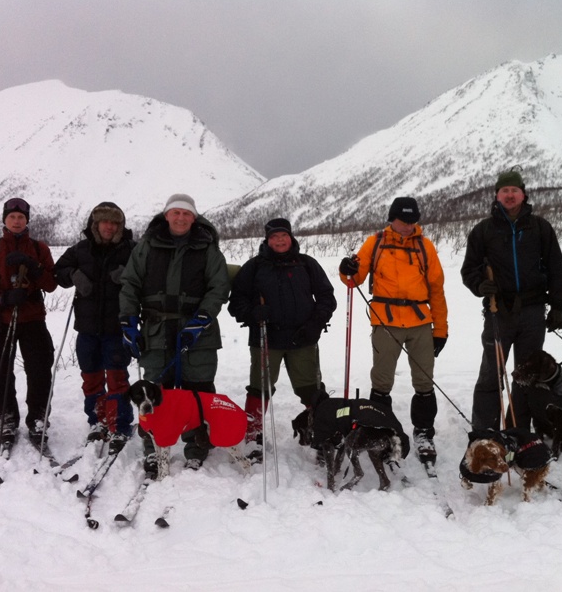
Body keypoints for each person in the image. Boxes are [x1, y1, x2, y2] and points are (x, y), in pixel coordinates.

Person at [118, 194, 230, 476]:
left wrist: (202, 318)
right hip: (156, 331)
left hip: (197, 332)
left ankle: (197, 446)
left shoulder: (208, 249)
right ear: (166, 215)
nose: (180, 218)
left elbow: (218, 287)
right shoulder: (146, 247)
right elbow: (130, 284)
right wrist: (129, 323)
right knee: (153, 390)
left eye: (186, 214)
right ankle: (154, 448)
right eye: (175, 213)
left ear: (194, 218)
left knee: (198, 392)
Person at [338, 197, 448, 464]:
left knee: (424, 382)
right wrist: (346, 270)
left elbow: (436, 289)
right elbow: (354, 279)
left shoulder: (425, 246)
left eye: (412, 221)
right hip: (385, 321)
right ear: (392, 219)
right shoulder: (375, 243)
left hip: (420, 322)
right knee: (382, 381)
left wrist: (441, 329)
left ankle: (423, 434)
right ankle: (381, 430)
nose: (408, 226)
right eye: (403, 221)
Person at [460, 169, 562, 432]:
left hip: (532, 312)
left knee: (527, 376)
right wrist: (479, 284)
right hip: (499, 311)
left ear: (523, 194)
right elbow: (469, 269)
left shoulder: (540, 227)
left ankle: (517, 430)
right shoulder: (483, 230)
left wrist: (557, 306)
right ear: (497, 196)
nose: (509, 195)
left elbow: (556, 267)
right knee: (491, 374)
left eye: (514, 190)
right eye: (504, 191)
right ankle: (485, 432)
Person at [228, 218, 337, 462]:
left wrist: (315, 324)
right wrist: (252, 313)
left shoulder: (307, 264)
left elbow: (326, 297)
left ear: (291, 237)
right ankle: (253, 435)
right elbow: (237, 302)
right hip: (266, 338)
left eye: (283, 235)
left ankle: (321, 432)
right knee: (260, 388)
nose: (279, 240)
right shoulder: (254, 267)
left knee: (311, 388)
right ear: (267, 240)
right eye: (274, 237)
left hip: (303, 337)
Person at [0, 198, 57, 446]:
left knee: (40, 369)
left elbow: (51, 284)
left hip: (32, 319)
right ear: (5, 220)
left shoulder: (40, 249)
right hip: (0, 319)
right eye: (12, 217)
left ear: (27, 220)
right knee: (1, 371)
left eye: (21, 217)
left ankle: (38, 418)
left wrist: (33, 267)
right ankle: (7, 417)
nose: (17, 221)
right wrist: (3, 297)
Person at [54, 202, 136, 453]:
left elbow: (149, 274)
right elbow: (58, 271)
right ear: (95, 224)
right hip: (87, 328)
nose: (109, 227)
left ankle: (120, 424)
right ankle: (98, 421)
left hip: (117, 326)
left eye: (114, 223)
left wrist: (128, 275)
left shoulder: (131, 249)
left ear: (120, 226)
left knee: (117, 378)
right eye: (105, 222)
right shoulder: (80, 249)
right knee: (91, 377)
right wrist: (73, 276)